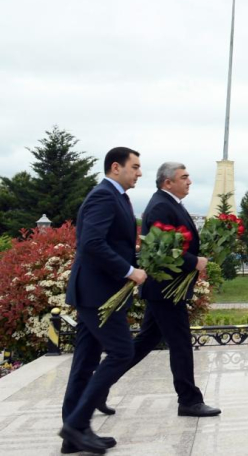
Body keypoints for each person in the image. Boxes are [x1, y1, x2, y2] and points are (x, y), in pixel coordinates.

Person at [102, 162, 221, 418]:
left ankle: (98, 386)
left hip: (165, 288)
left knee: (145, 341)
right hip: (164, 288)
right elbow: (160, 249)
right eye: (184, 177)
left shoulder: (170, 204)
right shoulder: (159, 206)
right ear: (168, 182)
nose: (189, 182)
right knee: (180, 343)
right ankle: (189, 400)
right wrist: (194, 261)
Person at [60, 147, 147, 454]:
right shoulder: (103, 196)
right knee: (122, 352)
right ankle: (76, 424)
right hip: (97, 294)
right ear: (115, 167)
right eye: (134, 166)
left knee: (84, 363)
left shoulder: (118, 197)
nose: (139, 172)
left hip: (97, 293)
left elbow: (110, 239)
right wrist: (129, 270)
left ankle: (74, 435)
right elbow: (91, 243)